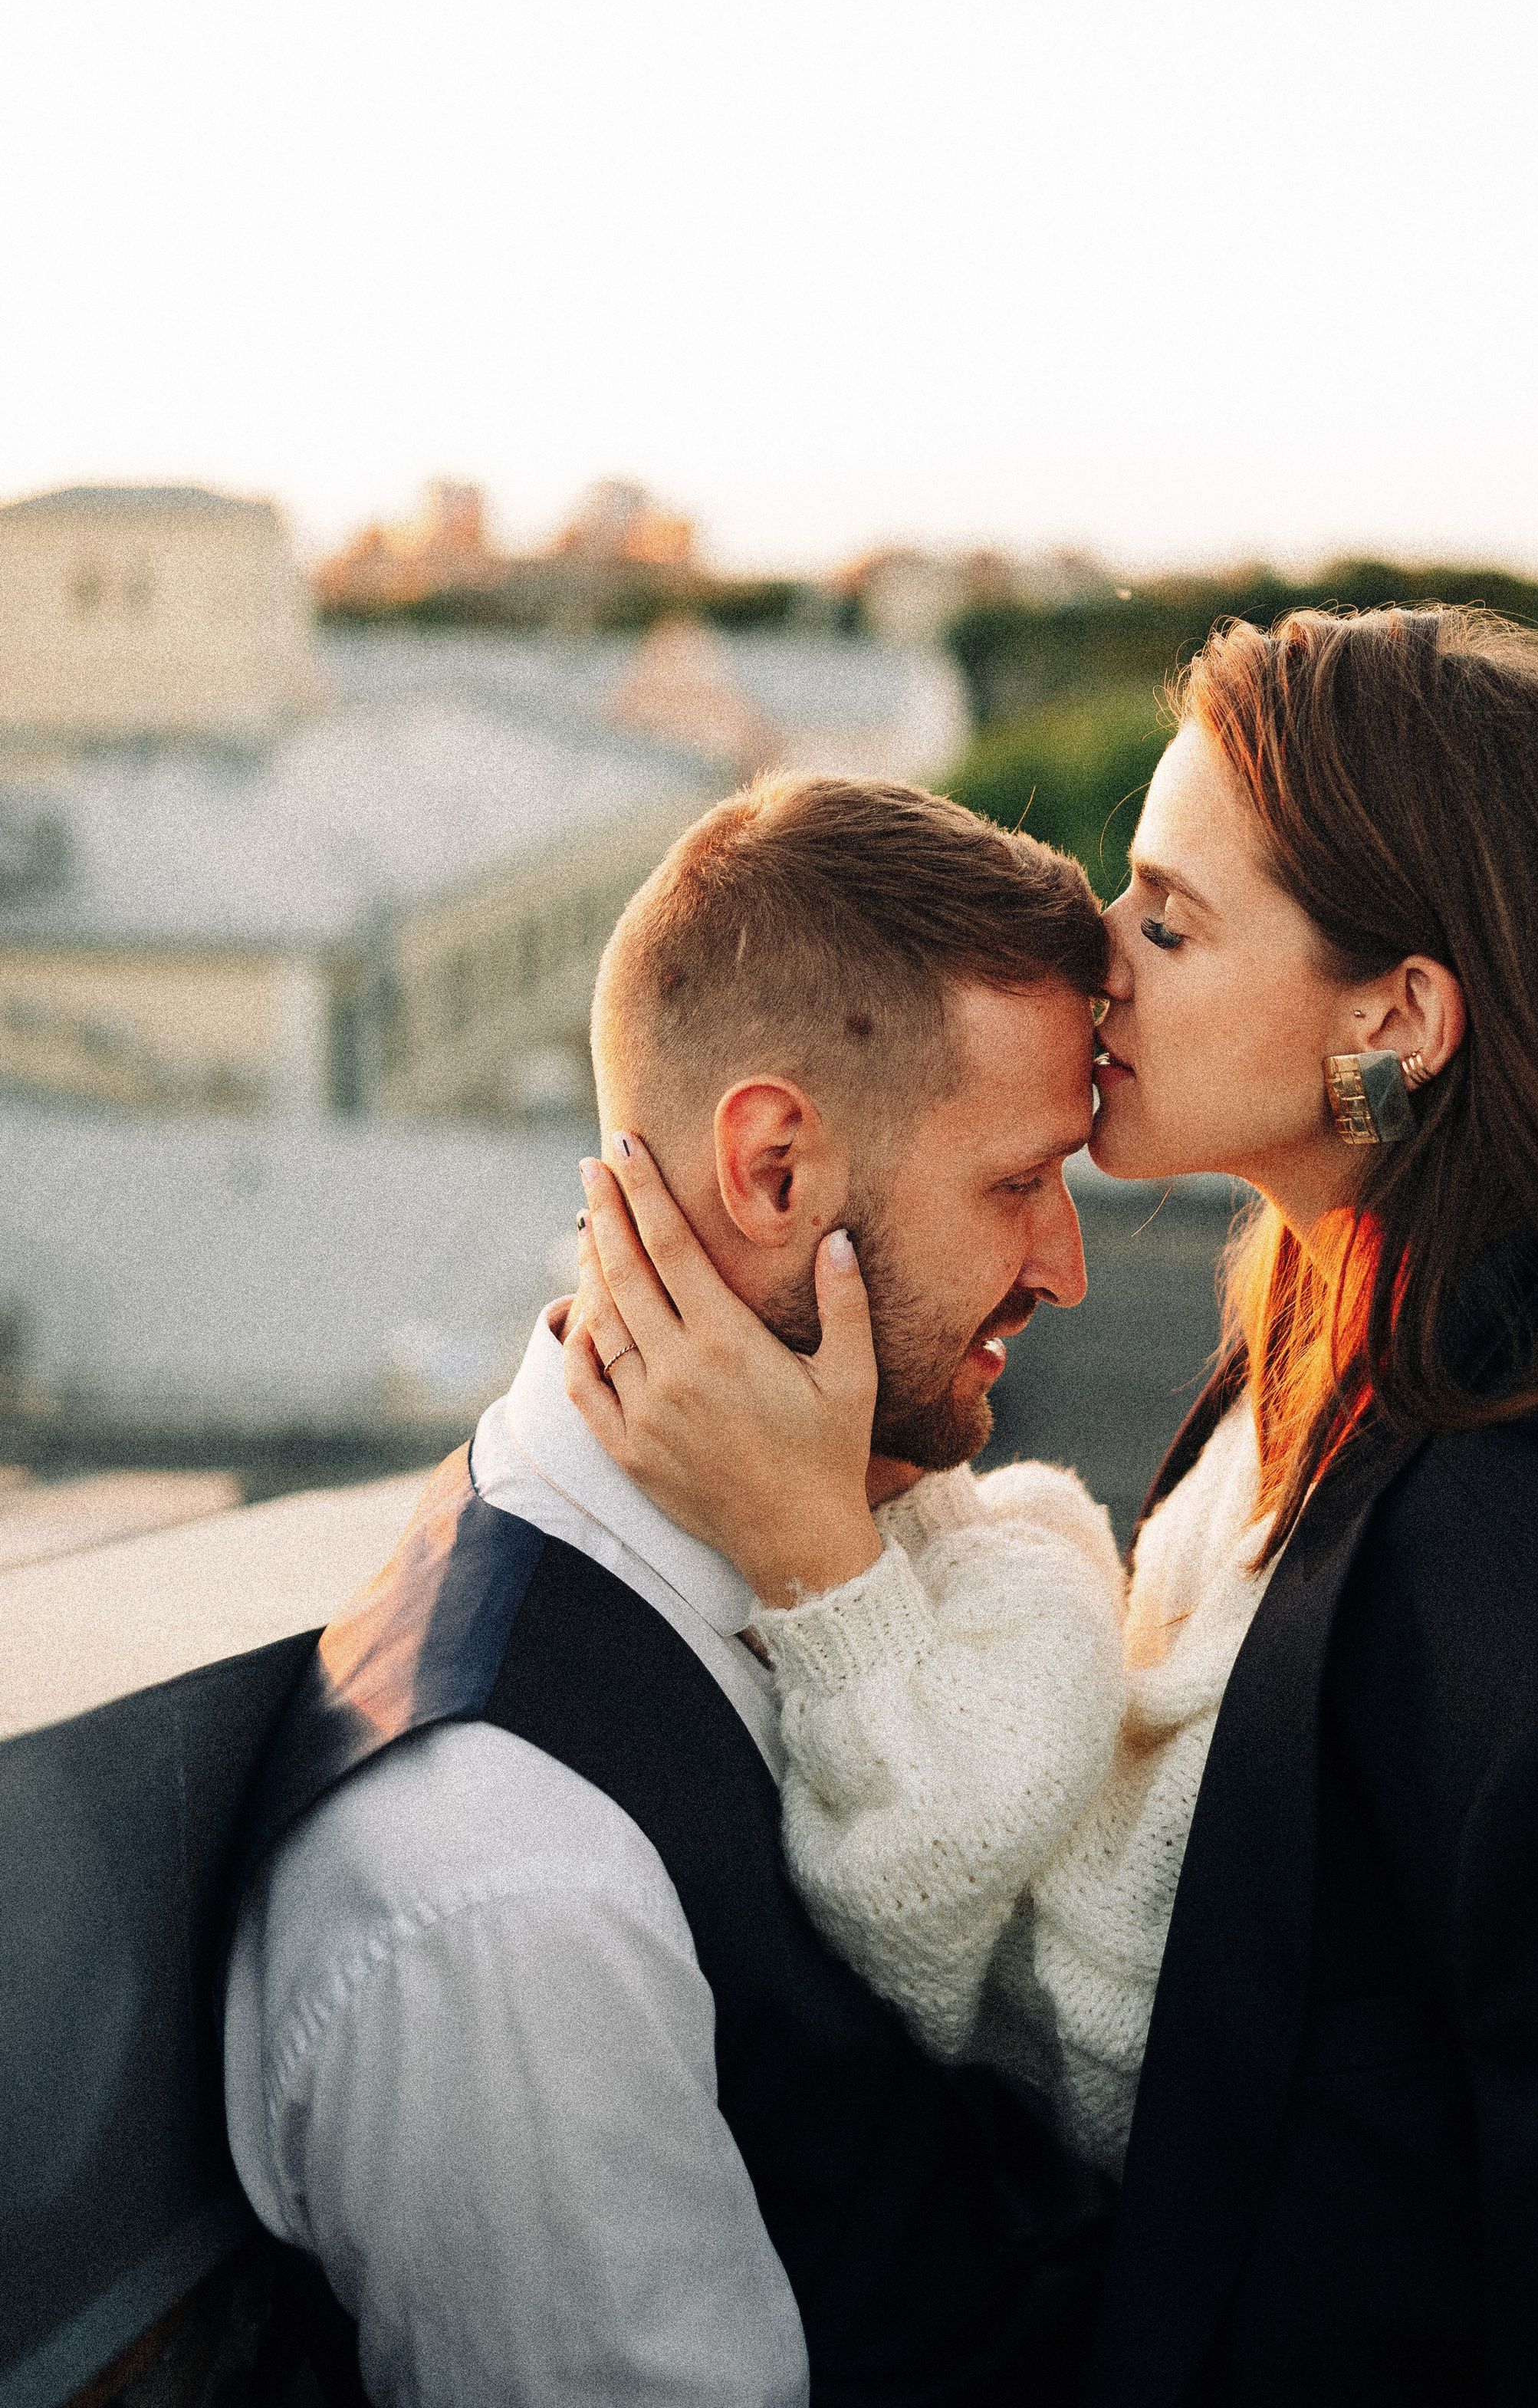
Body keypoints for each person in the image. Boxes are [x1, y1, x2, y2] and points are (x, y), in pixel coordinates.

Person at [573, 604, 1538, 2407]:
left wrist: (819, 1566)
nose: (1099, 952)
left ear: (1390, 1020)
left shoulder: (1537, 1586)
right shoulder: (1337, 1328)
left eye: (1168, 917)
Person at [220, 778, 1119, 2408]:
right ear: (772, 1171)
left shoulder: (849, 1526)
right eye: (1017, 1183)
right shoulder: (504, 1887)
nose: (1063, 1264)